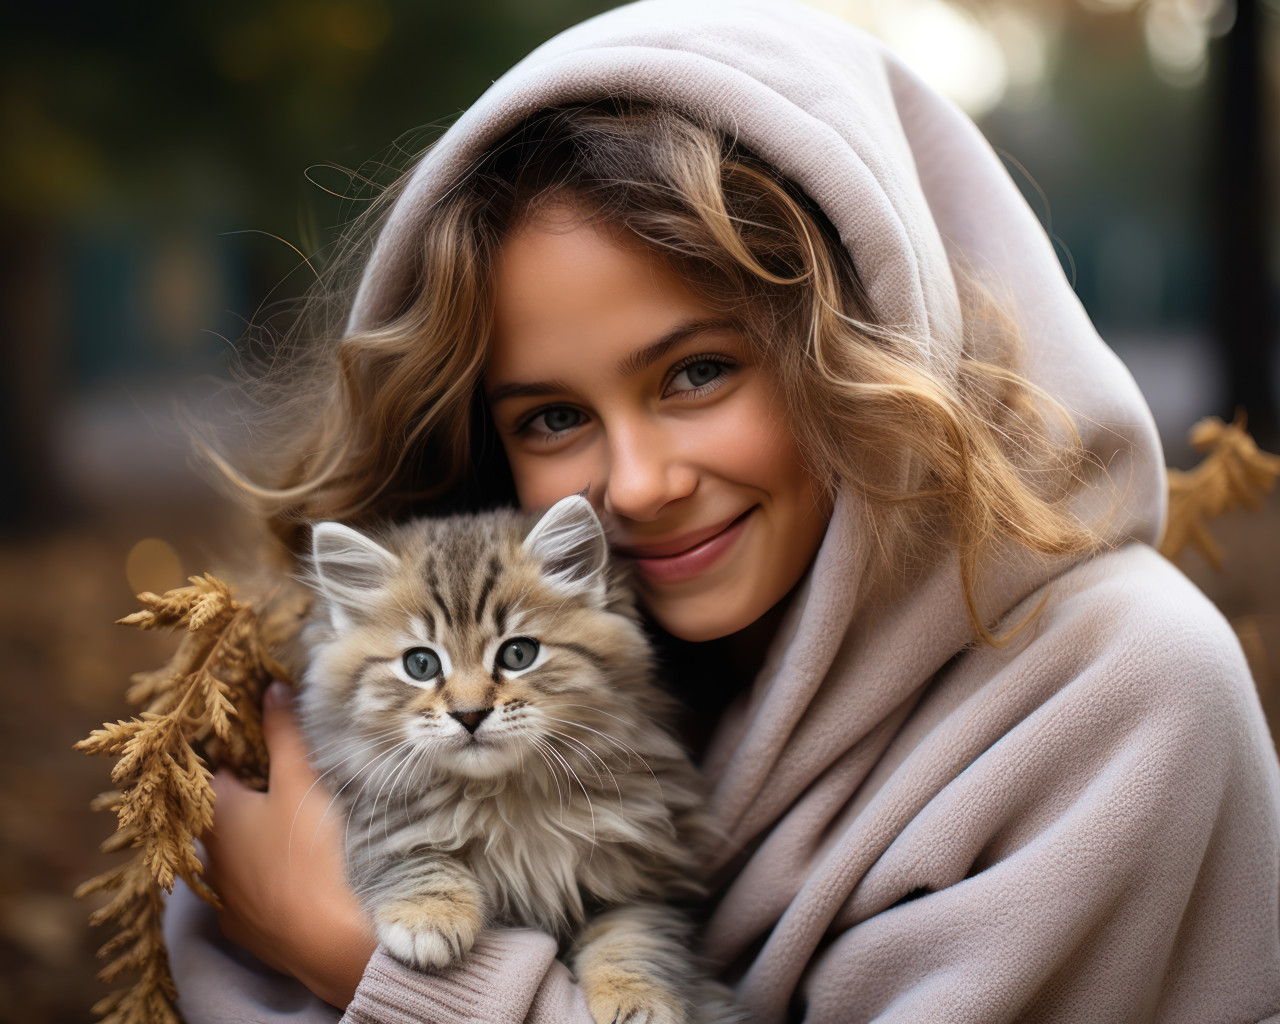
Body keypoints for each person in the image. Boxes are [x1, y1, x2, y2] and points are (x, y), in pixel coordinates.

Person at [162, 1, 1280, 1021]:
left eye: (695, 374)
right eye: (552, 417)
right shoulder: (592, 664)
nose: (638, 485)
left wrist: (377, 965)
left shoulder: (1124, 693)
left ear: (869, 346)